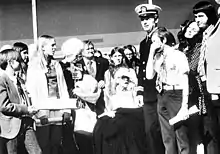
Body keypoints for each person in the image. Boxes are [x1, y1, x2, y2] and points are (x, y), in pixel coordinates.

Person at [146, 27, 190, 154]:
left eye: (154, 41)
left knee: (181, 136)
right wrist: (151, 53)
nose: (152, 45)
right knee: (167, 137)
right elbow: (149, 75)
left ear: (163, 39)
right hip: (162, 94)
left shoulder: (178, 55)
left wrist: (184, 106)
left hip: (176, 93)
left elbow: (185, 81)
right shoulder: (158, 57)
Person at [26, 35, 71, 154]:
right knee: (43, 144)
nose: (55, 47)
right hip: (43, 110)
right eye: (52, 45)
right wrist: (40, 114)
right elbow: (32, 92)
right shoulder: (33, 67)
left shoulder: (56, 64)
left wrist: (66, 110)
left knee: (56, 143)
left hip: (57, 108)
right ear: (43, 47)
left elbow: (63, 88)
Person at [94, 67, 147, 154]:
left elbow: (137, 106)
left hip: (131, 119)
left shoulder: (133, 92)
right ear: (117, 79)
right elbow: (108, 109)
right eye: (123, 78)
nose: (126, 80)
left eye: (127, 78)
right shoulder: (111, 93)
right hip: (117, 120)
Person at [134, 3, 164, 154]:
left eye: (148, 18)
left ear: (156, 19)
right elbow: (142, 69)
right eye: (142, 19)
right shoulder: (143, 43)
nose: (145, 22)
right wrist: (140, 92)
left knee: (164, 134)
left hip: (162, 93)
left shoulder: (163, 37)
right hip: (148, 96)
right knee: (150, 133)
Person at [0, 49, 41, 154]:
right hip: (10, 127)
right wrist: (26, 109)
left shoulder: (19, 80)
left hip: (26, 122)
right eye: (19, 60)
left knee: (36, 152)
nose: (23, 62)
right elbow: (4, 106)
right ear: (11, 62)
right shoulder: (2, 80)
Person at [193, 1, 220, 153]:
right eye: (196, 16)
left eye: (201, 16)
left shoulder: (217, 30)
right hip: (205, 86)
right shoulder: (204, 34)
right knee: (212, 129)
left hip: (216, 85)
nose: (197, 19)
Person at [177, 20, 205, 154]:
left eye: (195, 30)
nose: (190, 30)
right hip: (179, 92)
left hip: (194, 91)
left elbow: (192, 69)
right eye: (189, 27)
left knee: (195, 130)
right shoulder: (179, 48)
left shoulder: (198, 48)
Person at [75, 40, 109, 115]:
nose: (91, 51)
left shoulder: (103, 62)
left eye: (92, 48)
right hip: (86, 99)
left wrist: (104, 81)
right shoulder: (77, 64)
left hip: (101, 97)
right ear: (81, 51)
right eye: (88, 49)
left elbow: (108, 77)